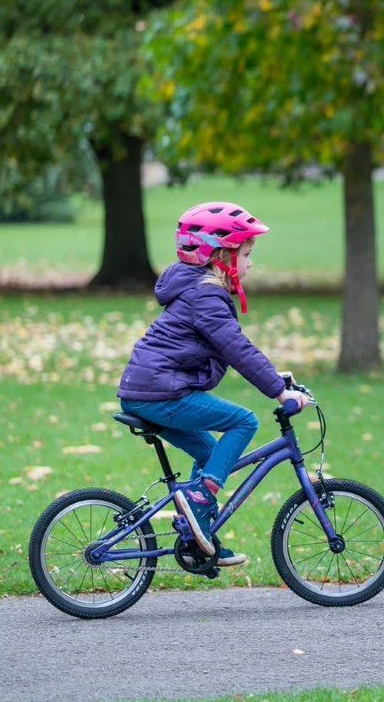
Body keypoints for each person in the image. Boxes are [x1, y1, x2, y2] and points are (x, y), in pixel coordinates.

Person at [117, 201, 311, 565]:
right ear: (222, 255)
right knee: (244, 421)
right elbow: (235, 347)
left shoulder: (197, 288)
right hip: (159, 394)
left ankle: (196, 536)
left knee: (209, 455)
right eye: (247, 254)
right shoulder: (205, 294)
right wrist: (277, 391)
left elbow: (232, 345)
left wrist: (278, 377)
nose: (251, 263)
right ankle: (199, 500)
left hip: (149, 390)